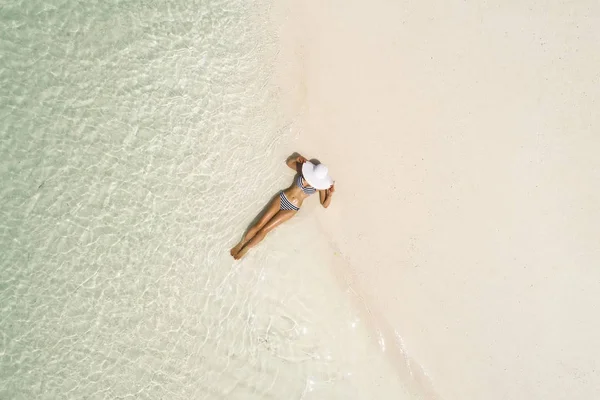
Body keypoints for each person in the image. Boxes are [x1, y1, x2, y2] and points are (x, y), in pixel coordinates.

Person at [230, 154, 335, 260]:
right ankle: (241, 243)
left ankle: (246, 248)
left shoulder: (320, 186)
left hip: (292, 208)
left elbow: (324, 204)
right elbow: (289, 163)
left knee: (265, 229)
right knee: (259, 224)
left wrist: (330, 195)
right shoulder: (305, 172)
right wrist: (296, 158)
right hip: (283, 198)